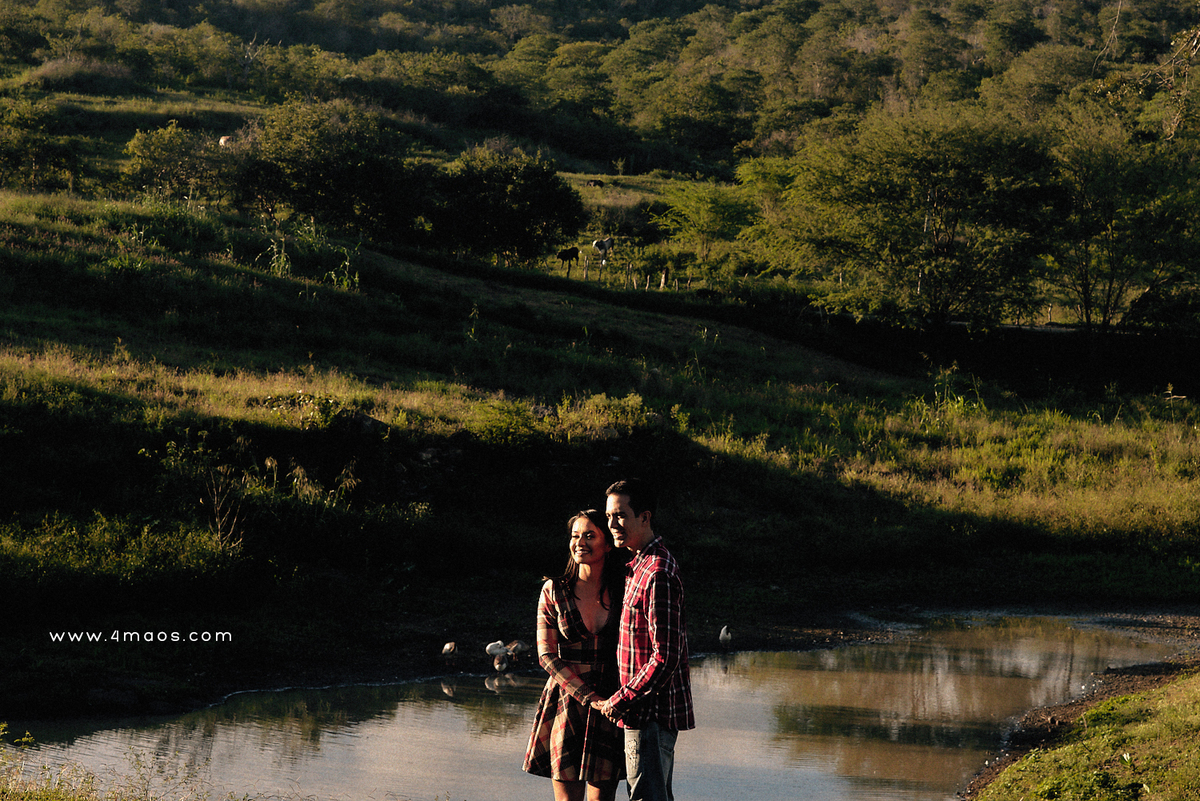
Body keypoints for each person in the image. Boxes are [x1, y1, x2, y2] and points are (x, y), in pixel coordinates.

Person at [594, 479, 694, 801]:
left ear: (645, 517)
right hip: (641, 714)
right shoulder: (638, 565)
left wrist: (619, 700)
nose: (612, 525)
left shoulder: (657, 572)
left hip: (649, 716)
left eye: (620, 516)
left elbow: (664, 657)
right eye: (609, 516)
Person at [524, 509, 628, 801]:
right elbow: (546, 656)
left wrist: (612, 701)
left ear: (608, 544)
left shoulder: (624, 589)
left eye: (590, 535)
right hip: (567, 703)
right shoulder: (554, 590)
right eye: (575, 535)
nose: (580, 542)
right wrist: (589, 697)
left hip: (612, 703)